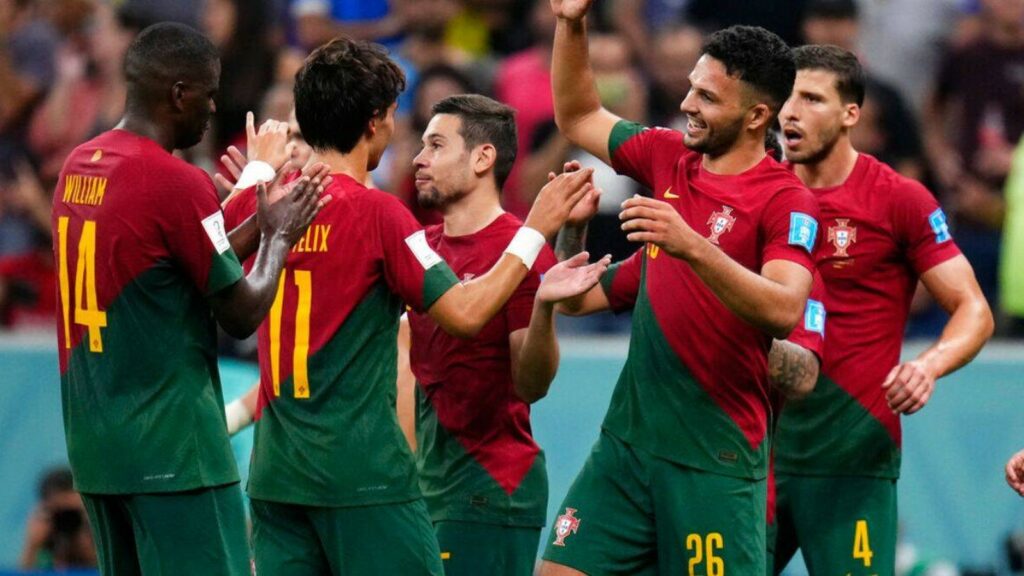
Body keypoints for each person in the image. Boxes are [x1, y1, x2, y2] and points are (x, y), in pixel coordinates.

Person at [221, 37, 600, 575]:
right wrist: (537, 228)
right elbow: (467, 314)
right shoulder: (382, 216)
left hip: (276, 475)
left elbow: (213, 252)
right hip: (363, 474)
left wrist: (254, 175)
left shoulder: (264, 204)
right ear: (375, 123)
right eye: (397, 117)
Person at [541, 0, 821, 572]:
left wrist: (692, 243)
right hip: (625, 448)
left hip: (711, 460)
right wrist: (571, 24)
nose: (687, 104)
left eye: (708, 98)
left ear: (756, 116)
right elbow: (577, 116)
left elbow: (785, 307)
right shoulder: (668, 157)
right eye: (693, 87)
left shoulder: (786, 199)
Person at [52, 22, 324, 575]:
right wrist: (279, 238)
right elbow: (243, 312)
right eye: (209, 91)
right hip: (174, 453)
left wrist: (255, 210)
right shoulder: (175, 180)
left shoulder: (79, 165)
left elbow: (179, 261)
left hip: (98, 451)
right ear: (179, 94)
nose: (214, 106)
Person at [769, 45, 993, 575]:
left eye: (811, 98)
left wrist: (927, 365)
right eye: (786, 97)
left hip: (852, 455)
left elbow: (973, 310)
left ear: (852, 115)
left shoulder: (899, 200)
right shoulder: (756, 193)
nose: (790, 111)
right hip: (756, 454)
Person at [401, 94, 607, 575]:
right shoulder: (421, 247)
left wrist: (542, 308)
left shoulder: (523, 250)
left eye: (436, 145)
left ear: (482, 158)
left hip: (489, 485)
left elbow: (531, 384)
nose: (418, 158)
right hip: (423, 486)